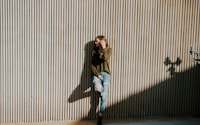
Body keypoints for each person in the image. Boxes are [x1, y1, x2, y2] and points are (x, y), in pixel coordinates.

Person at [91, 35, 112, 120]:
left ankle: (100, 114)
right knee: (98, 88)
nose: (95, 42)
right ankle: (102, 92)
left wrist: (103, 48)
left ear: (101, 41)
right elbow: (92, 65)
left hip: (106, 74)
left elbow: (105, 58)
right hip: (97, 74)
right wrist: (97, 74)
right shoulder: (93, 51)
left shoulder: (109, 50)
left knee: (104, 96)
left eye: (97, 41)